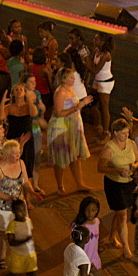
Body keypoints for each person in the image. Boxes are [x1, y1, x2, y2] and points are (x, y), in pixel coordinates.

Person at [0, 139, 42, 267]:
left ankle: (19, 255)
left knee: (18, 230)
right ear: (7, 154)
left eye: (18, 152)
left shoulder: (21, 164)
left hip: (17, 205)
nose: (18, 155)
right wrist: (8, 197)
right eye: (14, 153)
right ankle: (2, 256)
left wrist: (32, 192)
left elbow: (25, 181)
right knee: (5, 233)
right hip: (2, 205)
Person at [98, 117, 138, 260]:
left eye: (127, 132)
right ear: (115, 133)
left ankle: (112, 236)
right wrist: (118, 170)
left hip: (129, 183)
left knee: (120, 212)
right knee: (122, 215)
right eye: (123, 133)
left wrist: (135, 166)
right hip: (115, 185)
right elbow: (100, 167)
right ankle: (126, 248)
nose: (126, 135)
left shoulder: (132, 144)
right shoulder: (109, 148)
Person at [47, 68, 93, 196]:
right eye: (71, 77)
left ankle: (79, 183)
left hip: (73, 126)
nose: (73, 79)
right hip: (61, 128)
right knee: (61, 157)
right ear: (64, 79)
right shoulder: (60, 92)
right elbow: (59, 112)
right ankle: (60, 186)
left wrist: (81, 105)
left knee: (75, 156)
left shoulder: (71, 89)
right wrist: (77, 107)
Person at [0, 198, 42, 276]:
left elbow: (30, 234)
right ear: (14, 212)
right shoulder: (12, 225)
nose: (22, 213)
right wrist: (25, 240)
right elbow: (12, 242)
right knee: (13, 273)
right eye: (19, 211)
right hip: (17, 255)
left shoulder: (28, 221)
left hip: (30, 254)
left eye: (24, 210)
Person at [90, 34, 115, 140]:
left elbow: (95, 70)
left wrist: (86, 63)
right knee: (91, 103)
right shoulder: (96, 51)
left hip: (105, 82)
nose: (94, 41)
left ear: (103, 42)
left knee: (104, 108)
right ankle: (98, 126)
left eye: (97, 39)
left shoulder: (106, 55)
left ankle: (106, 132)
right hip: (97, 81)